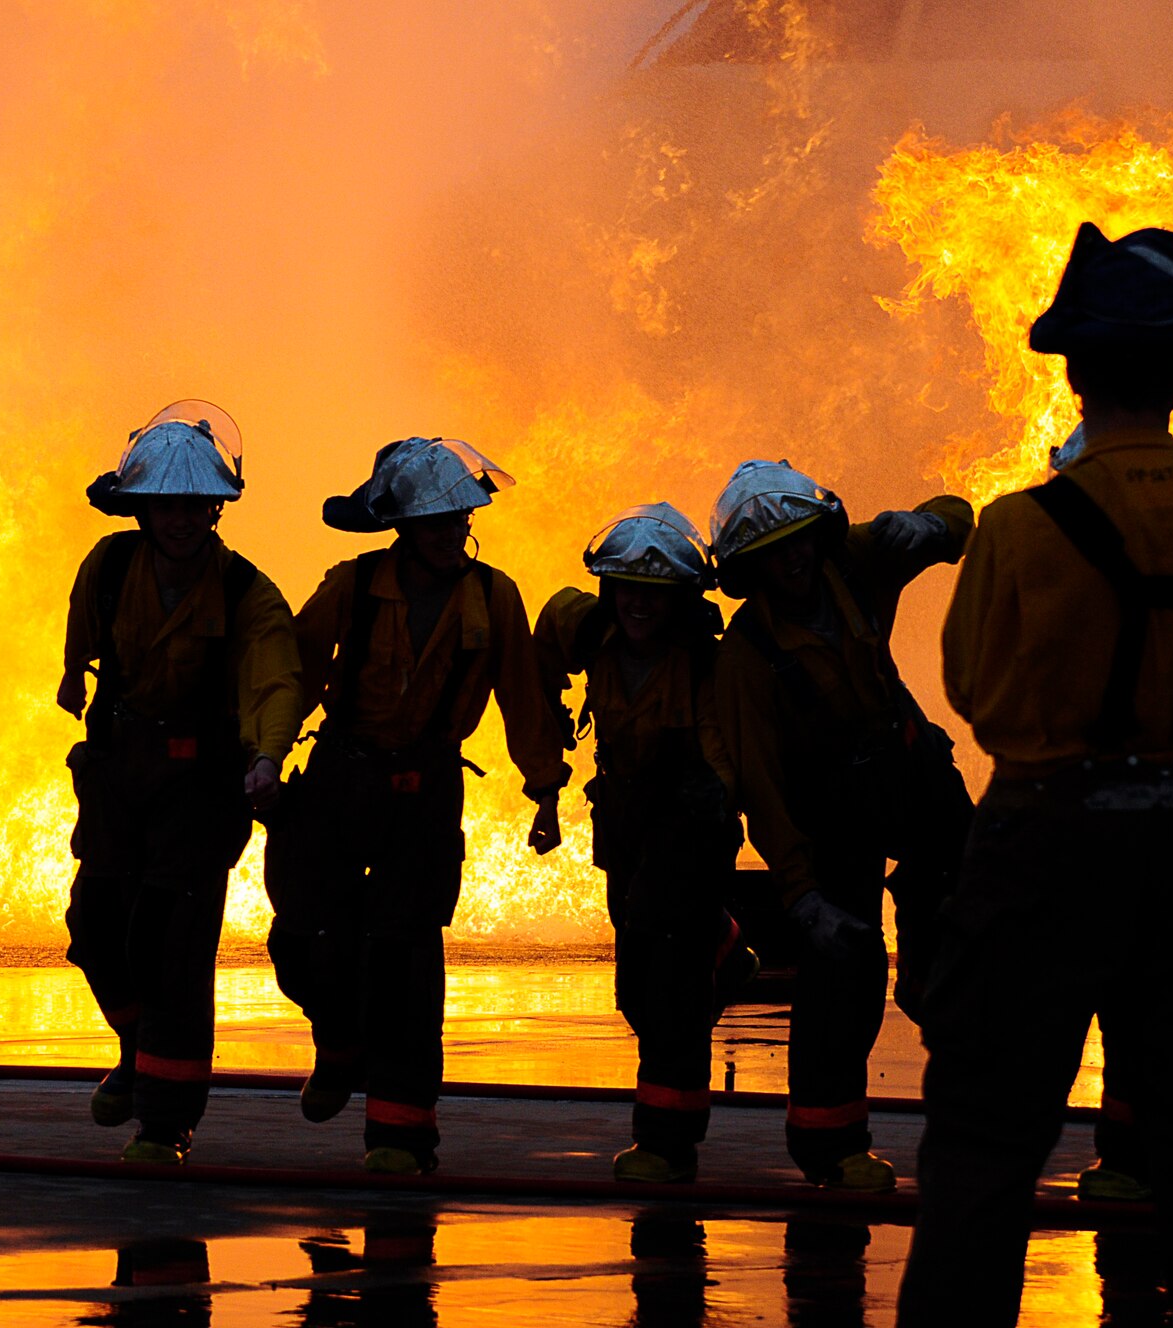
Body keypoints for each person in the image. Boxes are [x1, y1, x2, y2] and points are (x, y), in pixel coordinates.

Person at [899, 223, 1173, 1326]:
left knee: (985, 1141)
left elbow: (975, 690)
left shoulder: (1022, 526)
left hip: (1043, 838)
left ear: (1074, 373)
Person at [266, 436, 571, 1175]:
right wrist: (263, 755)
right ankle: (339, 1042)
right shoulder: (353, 587)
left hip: (426, 791)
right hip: (340, 779)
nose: (447, 534)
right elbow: (293, 673)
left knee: (405, 960)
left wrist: (544, 787)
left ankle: (401, 1134)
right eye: (431, 522)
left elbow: (522, 696)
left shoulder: (493, 596)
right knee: (301, 939)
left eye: (456, 519)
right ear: (400, 526)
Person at [710, 459, 974, 1192]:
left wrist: (927, 522)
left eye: (801, 539)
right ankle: (830, 1145)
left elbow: (959, 519)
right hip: (829, 816)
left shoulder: (854, 560)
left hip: (911, 773)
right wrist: (801, 896)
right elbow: (761, 786)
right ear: (750, 566)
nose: (795, 558)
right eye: (775, 551)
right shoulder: (745, 658)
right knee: (845, 969)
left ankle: (928, 982)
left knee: (966, 901)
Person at [59, 400, 303, 1165]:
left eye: (198, 505)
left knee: (175, 947)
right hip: (120, 777)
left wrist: (265, 757)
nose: (181, 520)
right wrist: (72, 685)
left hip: (200, 788)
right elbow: (83, 653)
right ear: (141, 507)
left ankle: (166, 1123)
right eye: (167, 505)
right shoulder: (107, 568)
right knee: (96, 924)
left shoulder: (246, 595)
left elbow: (274, 680)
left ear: (217, 507)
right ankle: (138, 1049)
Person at [535, 503, 756, 1184]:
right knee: (641, 988)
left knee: (663, 989)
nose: (637, 603)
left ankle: (666, 1142)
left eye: (653, 592)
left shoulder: (707, 665)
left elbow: (734, 758)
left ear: (681, 598)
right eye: (625, 586)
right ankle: (723, 945)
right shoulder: (589, 633)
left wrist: (711, 805)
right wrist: (547, 781)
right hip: (626, 826)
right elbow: (543, 638)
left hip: (691, 830)